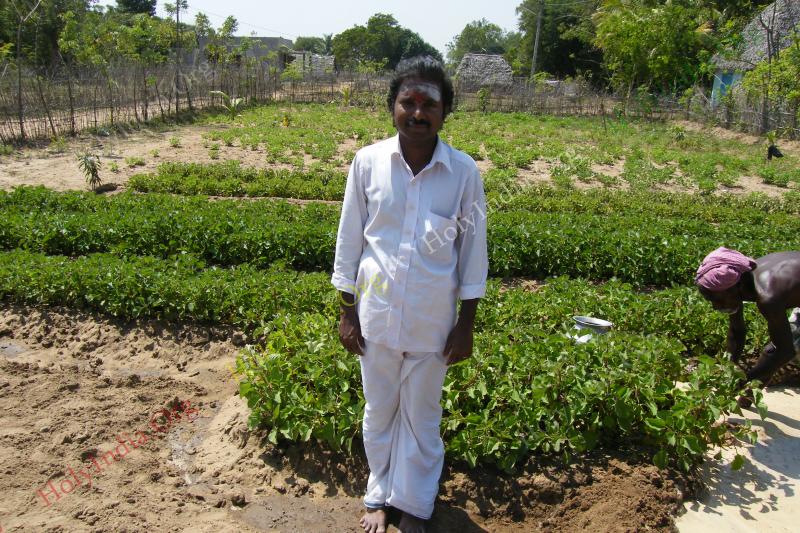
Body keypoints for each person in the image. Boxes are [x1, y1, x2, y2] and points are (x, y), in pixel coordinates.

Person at [331, 56, 488, 533]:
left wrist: (467, 324)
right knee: (379, 412)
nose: (418, 113)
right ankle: (378, 496)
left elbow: (472, 252)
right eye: (408, 102)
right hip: (375, 316)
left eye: (429, 104)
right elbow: (350, 239)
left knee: (422, 418)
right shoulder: (367, 163)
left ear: (445, 112)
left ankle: (415, 506)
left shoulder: (463, 174)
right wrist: (346, 311)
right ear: (392, 107)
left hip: (431, 323)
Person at [695, 247, 800, 402]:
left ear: (738, 287)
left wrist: (744, 379)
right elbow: (737, 331)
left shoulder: (768, 296)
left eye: (718, 300)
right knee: (772, 352)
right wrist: (728, 368)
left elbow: (785, 351)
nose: (716, 307)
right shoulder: (739, 278)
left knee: (779, 350)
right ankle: (747, 398)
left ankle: (746, 395)